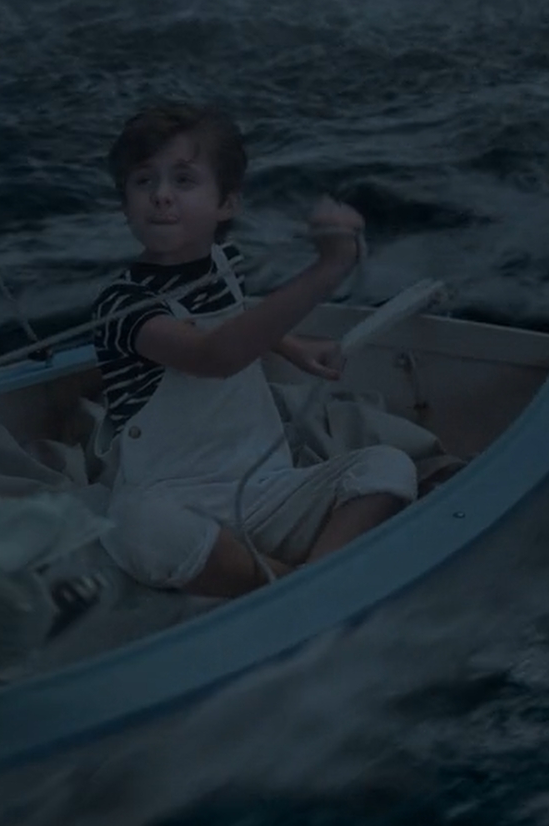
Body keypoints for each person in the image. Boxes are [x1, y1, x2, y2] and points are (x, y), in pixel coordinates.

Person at [90, 102, 418, 598]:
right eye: (143, 182)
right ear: (125, 204)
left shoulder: (222, 263)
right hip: (175, 500)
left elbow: (231, 316)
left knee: (388, 465)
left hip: (270, 489)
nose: (160, 196)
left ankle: (310, 578)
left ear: (226, 204)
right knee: (140, 526)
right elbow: (212, 356)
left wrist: (291, 347)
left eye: (183, 180)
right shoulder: (123, 305)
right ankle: (296, 589)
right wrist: (327, 270)